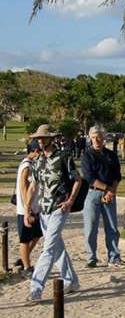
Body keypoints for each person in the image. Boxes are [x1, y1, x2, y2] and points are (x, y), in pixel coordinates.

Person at [24, 124, 81, 302]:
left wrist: (70, 200)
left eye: (43, 138)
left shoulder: (64, 157)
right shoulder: (38, 161)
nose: (40, 141)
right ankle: (71, 281)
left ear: (51, 138)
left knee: (48, 249)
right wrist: (27, 210)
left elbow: (77, 179)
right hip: (44, 210)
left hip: (59, 208)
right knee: (57, 247)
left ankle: (36, 288)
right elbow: (33, 186)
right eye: (38, 138)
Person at [81, 126, 125, 268]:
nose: (96, 140)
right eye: (93, 137)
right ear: (90, 139)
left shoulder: (111, 155)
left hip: (110, 193)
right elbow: (89, 177)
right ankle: (91, 258)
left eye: (99, 137)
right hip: (93, 193)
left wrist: (111, 191)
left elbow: (117, 175)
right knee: (90, 227)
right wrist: (107, 189)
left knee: (112, 227)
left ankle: (114, 257)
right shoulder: (87, 155)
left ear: (103, 138)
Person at [15, 140, 43, 275]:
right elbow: (23, 187)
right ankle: (26, 267)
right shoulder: (27, 166)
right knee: (25, 239)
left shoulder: (31, 164)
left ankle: (22, 258)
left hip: (33, 207)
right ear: (36, 151)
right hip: (26, 209)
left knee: (38, 234)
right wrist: (27, 208)